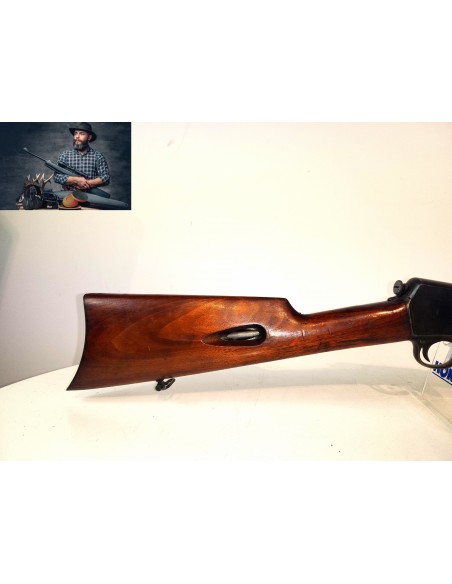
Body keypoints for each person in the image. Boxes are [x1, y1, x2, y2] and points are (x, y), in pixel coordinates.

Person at [53, 123, 110, 191]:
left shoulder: (98, 156)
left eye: (82, 134)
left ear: (89, 137)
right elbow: (56, 176)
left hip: (90, 196)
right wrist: (76, 180)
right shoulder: (65, 155)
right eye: (75, 133)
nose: (77, 136)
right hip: (69, 195)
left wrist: (86, 183)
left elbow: (105, 178)